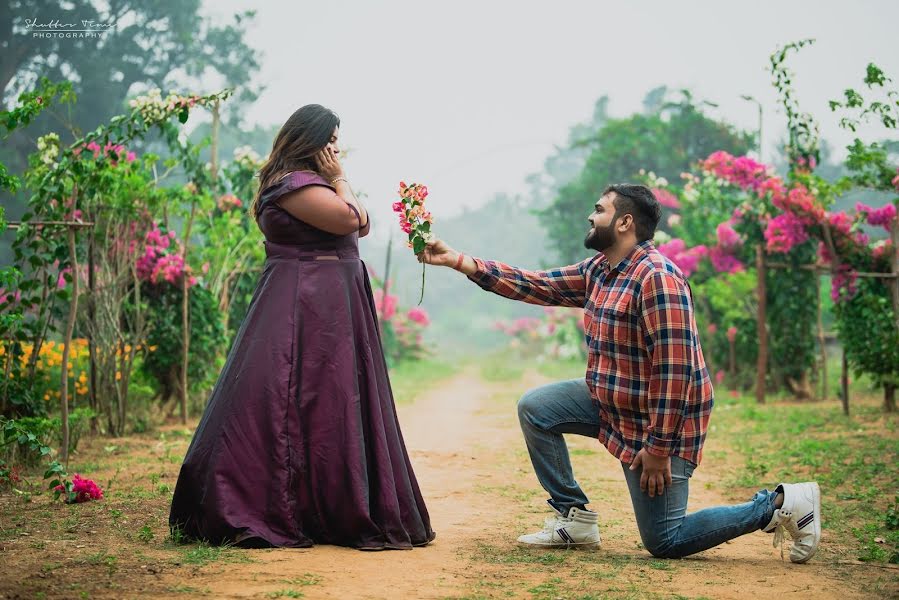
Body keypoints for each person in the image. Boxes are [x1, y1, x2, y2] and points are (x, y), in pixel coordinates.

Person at [418, 183, 819, 562]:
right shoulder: (601, 270)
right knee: (537, 408)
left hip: (664, 422)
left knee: (665, 539)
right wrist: (459, 261)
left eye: (599, 210)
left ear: (625, 222)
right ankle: (573, 519)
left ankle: (782, 504)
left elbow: (675, 371)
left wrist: (659, 449)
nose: (591, 217)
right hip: (613, 401)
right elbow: (538, 284)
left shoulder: (657, 279)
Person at [169, 104, 435, 550]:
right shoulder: (293, 184)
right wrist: (341, 179)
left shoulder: (311, 184)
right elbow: (350, 219)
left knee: (330, 403)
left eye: (337, 141)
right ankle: (274, 504)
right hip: (304, 303)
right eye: (329, 139)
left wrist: (340, 187)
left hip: (328, 304)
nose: (334, 149)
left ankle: (326, 506)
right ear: (306, 140)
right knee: (284, 400)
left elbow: (363, 225)